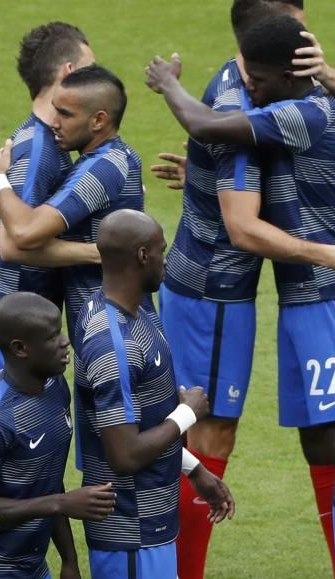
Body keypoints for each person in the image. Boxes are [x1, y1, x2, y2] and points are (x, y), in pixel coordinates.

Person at [146, 0, 335, 577]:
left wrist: (199, 164)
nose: (309, 49)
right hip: (234, 282)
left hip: (303, 287)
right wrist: (332, 255)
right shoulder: (255, 101)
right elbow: (242, 225)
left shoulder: (294, 91)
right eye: (296, 41)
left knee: (329, 432)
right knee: (206, 429)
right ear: (252, 54)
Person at [73, 210, 235, 578]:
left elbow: (142, 418)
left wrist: (193, 468)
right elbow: (124, 454)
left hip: (151, 526)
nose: (167, 258)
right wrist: (187, 414)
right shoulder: (113, 345)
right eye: (162, 249)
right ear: (143, 255)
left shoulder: (135, 312)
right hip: (130, 532)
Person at [0, 22, 96, 401]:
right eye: (92, 66)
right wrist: (99, 252)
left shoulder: (49, 141)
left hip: (23, 331)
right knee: (4, 450)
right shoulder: (37, 149)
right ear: (70, 72)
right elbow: (11, 244)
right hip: (6, 335)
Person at [0, 292, 115, 579]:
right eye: (51, 337)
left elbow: (48, 479)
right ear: (21, 348)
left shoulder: (55, 386)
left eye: (60, 330)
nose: (65, 341)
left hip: (30, 566)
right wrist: (61, 503)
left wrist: (69, 560)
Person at [0, 64, 143, 345]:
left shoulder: (103, 166)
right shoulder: (107, 159)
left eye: (65, 114)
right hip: (99, 324)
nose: (54, 122)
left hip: (113, 332)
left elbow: (22, 235)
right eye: (55, 109)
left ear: (98, 121)